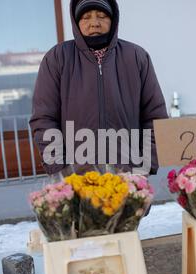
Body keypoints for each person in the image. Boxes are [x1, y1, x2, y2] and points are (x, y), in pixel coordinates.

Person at [30, 0, 168, 177]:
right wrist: (61, 170)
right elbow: (44, 119)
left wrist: (144, 167)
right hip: (77, 179)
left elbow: (155, 117)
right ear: (76, 21)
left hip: (129, 177)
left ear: (113, 20)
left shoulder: (136, 57)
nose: (94, 22)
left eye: (102, 16)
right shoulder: (57, 59)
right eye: (86, 17)